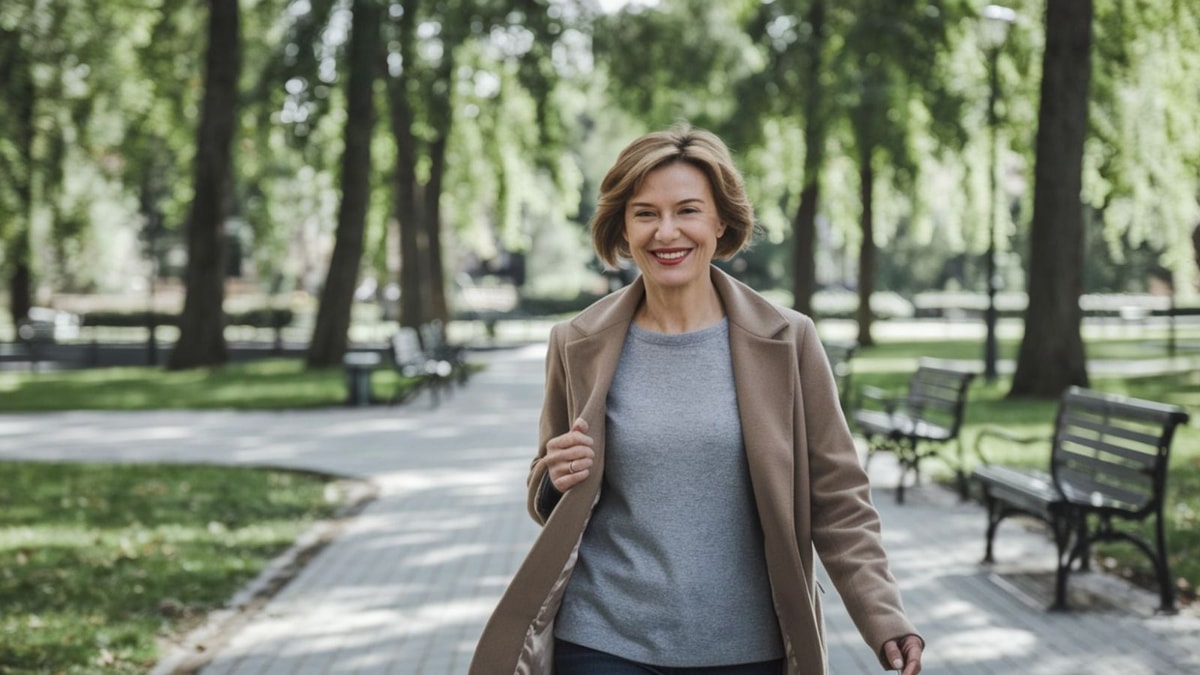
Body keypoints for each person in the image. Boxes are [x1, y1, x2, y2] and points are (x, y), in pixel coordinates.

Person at [470, 124, 923, 675]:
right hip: (602, 641)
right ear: (623, 226)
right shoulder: (577, 342)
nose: (666, 232)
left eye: (687, 210)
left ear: (720, 221)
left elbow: (839, 498)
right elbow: (549, 484)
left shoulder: (788, 340)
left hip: (747, 649)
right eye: (645, 213)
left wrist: (884, 617)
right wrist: (552, 477)